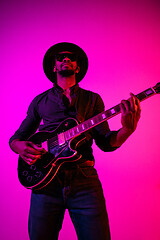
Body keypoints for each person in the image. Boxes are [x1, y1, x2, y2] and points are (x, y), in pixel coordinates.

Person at [9, 42, 141, 240]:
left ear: (77, 68)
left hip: (84, 181)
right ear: (54, 67)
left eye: (71, 58)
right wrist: (19, 147)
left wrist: (127, 130)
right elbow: (16, 138)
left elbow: (106, 142)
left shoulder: (92, 99)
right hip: (45, 182)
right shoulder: (40, 101)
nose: (66, 59)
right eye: (61, 57)